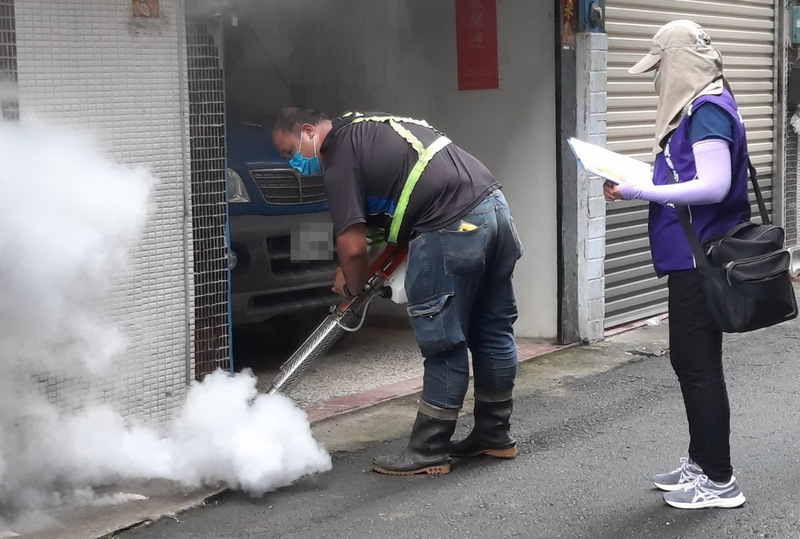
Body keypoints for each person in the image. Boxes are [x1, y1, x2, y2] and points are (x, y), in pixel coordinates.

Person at [273, 108, 523, 476]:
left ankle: (429, 450)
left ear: (309, 131)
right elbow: (388, 216)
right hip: (495, 211)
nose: (293, 162)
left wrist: (353, 288)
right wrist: (355, 268)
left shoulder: (337, 155)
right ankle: (494, 434)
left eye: (289, 150)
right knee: (492, 330)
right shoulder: (368, 127)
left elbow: (353, 245)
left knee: (443, 341)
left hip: (451, 225)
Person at [604, 20, 749, 509]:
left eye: (658, 66)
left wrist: (639, 189)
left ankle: (720, 480)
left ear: (681, 64)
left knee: (697, 364)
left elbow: (712, 185)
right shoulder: (702, 106)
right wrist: (637, 177)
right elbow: (690, 174)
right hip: (693, 256)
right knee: (693, 362)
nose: (655, 77)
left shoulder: (706, 112)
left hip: (700, 258)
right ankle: (702, 461)